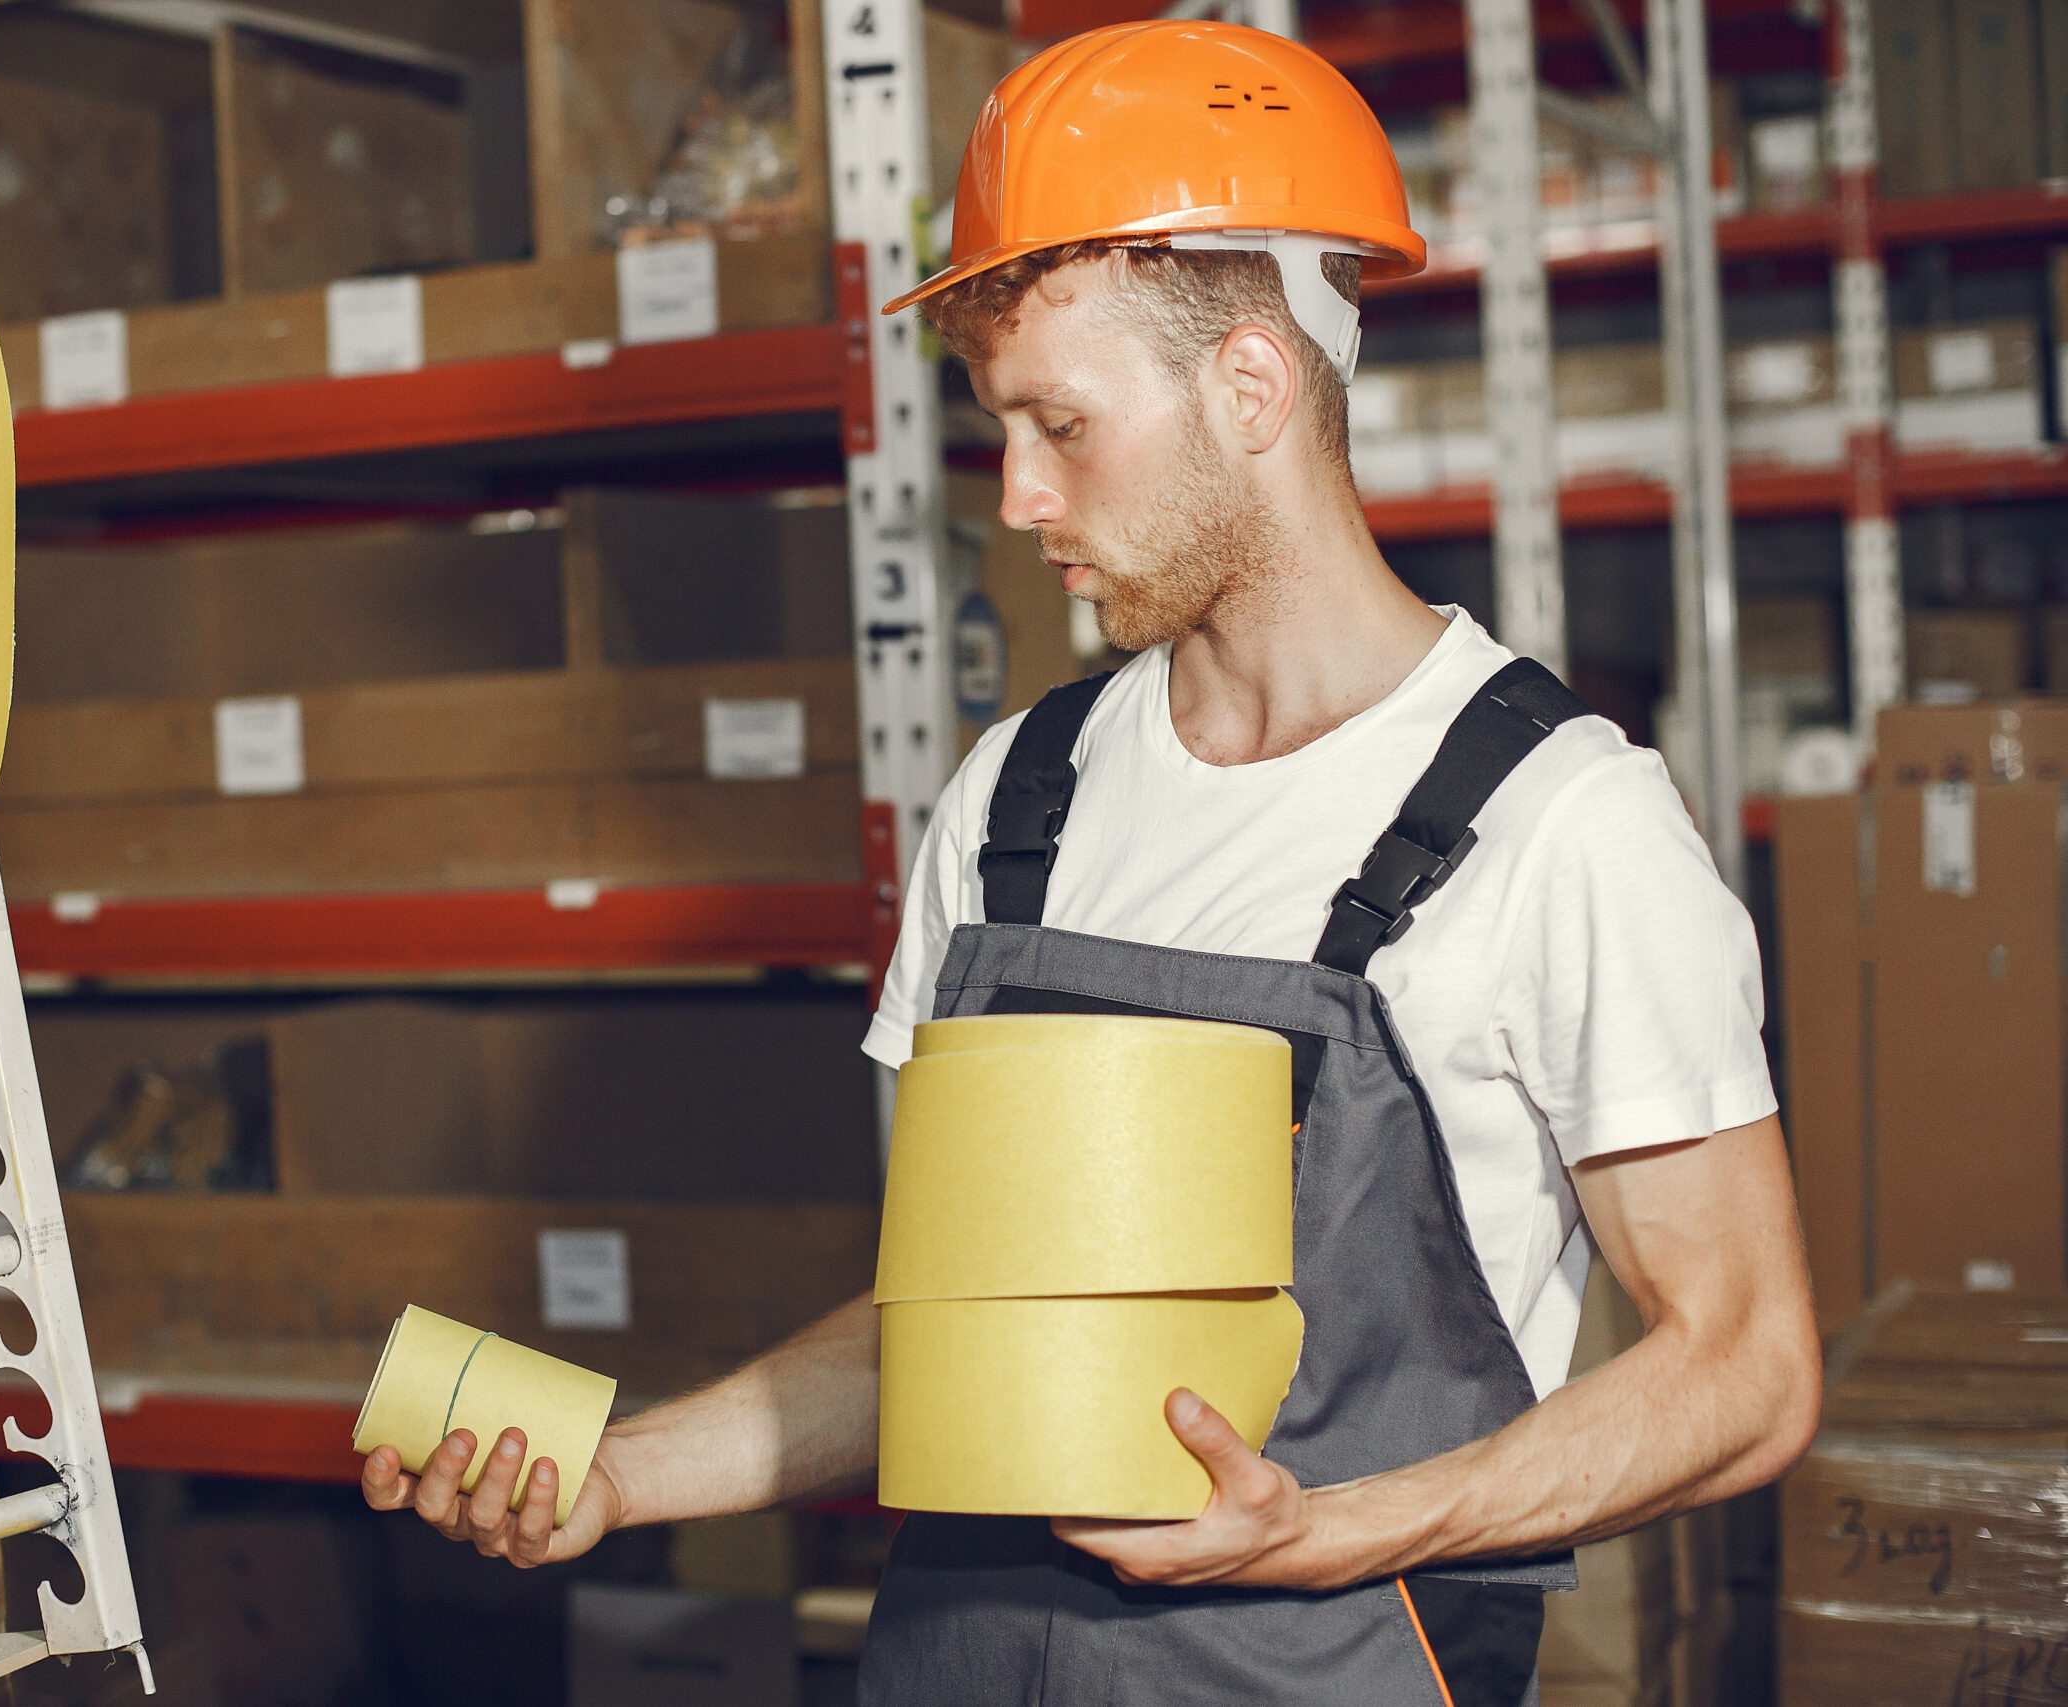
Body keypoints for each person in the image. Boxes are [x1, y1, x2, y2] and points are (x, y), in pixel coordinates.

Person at [361, 20, 1821, 1704]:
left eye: (1061, 421)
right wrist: (625, 1474)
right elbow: (957, 1328)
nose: (1022, 492)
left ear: (1252, 386)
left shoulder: (1560, 823)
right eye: (1001, 426)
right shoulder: (1018, 797)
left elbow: (1747, 1364)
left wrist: (1337, 1527)